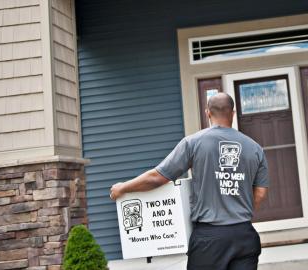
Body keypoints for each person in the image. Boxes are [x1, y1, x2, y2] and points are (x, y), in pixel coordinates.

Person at [110, 93, 269, 270]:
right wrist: (237, 211)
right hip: (243, 235)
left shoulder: (193, 143)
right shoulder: (255, 148)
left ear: (208, 113)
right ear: (232, 113)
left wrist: (123, 188)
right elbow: (260, 193)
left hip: (209, 239)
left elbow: (158, 177)